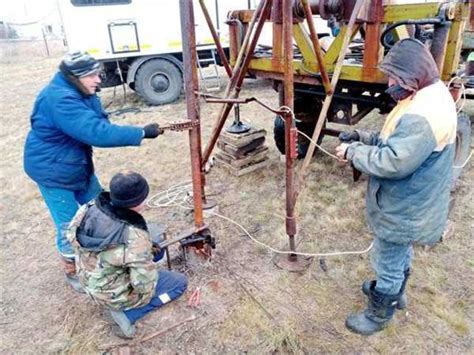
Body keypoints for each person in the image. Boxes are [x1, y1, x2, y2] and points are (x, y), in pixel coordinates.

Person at [335, 38, 457, 335]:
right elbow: (397, 141)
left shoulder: (426, 112)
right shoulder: (427, 94)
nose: (391, 84)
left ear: (413, 75)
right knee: (399, 247)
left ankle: (379, 312)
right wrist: (363, 138)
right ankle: (397, 292)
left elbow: (394, 161)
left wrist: (353, 153)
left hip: (407, 203)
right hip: (414, 199)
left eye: (395, 78)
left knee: (387, 254)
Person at [23, 51, 163, 291]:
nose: (99, 79)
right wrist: (140, 132)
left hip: (76, 165)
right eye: (92, 76)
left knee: (102, 207)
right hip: (52, 172)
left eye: (97, 73)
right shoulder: (59, 99)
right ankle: (73, 270)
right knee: (69, 225)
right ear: (75, 77)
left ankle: (111, 250)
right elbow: (96, 132)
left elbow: (100, 121)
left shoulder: (81, 91)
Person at [66, 171, 188, 338]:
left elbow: (71, 236)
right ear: (137, 202)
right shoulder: (135, 238)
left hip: (87, 277)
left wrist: (143, 253)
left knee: (155, 248)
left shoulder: (89, 208)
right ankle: (126, 315)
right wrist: (146, 266)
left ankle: (114, 298)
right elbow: (143, 284)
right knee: (179, 283)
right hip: (112, 293)